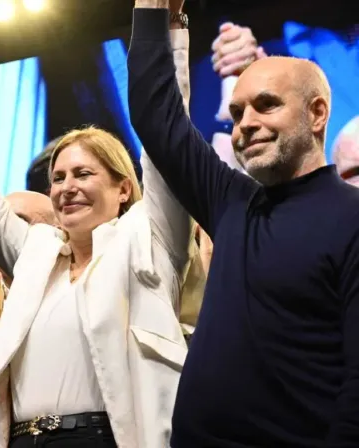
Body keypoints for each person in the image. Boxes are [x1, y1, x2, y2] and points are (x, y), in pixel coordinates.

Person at [0, 11, 194, 448]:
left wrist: (168, 29)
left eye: (83, 174)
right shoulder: (37, 254)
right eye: (58, 178)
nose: (66, 188)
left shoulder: (147, 242)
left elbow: (168, 148)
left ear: (123, 189)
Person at [127, 1, 359, 446]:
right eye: (237, 113)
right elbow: (157, 117)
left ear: (317, 114)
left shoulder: (352, 219)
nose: (246, 125)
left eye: (266, 105)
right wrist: (155, 12)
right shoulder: (231, 201)